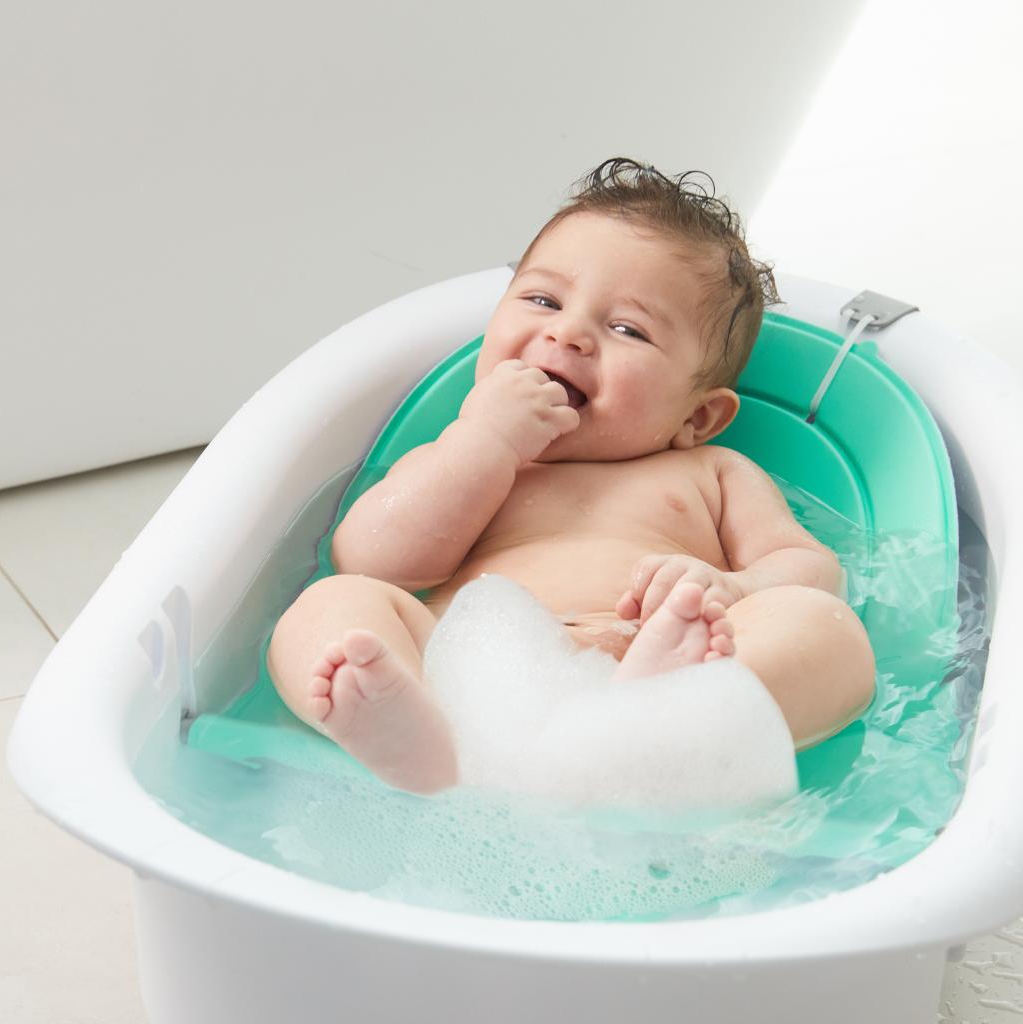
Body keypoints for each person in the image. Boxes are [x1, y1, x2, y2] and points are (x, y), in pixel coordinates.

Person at [267, 157, 876, 796]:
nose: (569, 333)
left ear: (697, 416)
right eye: (542, 299)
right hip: (473, 675)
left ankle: (655, 730)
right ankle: (419, 735)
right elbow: (373, 559)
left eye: (627, 329)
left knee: (821, 628)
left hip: (666, 660)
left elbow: (810, 568)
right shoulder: (464, 458)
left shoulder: (711, 471)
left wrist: (733, 585)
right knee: (331, 607)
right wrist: (486, 441)